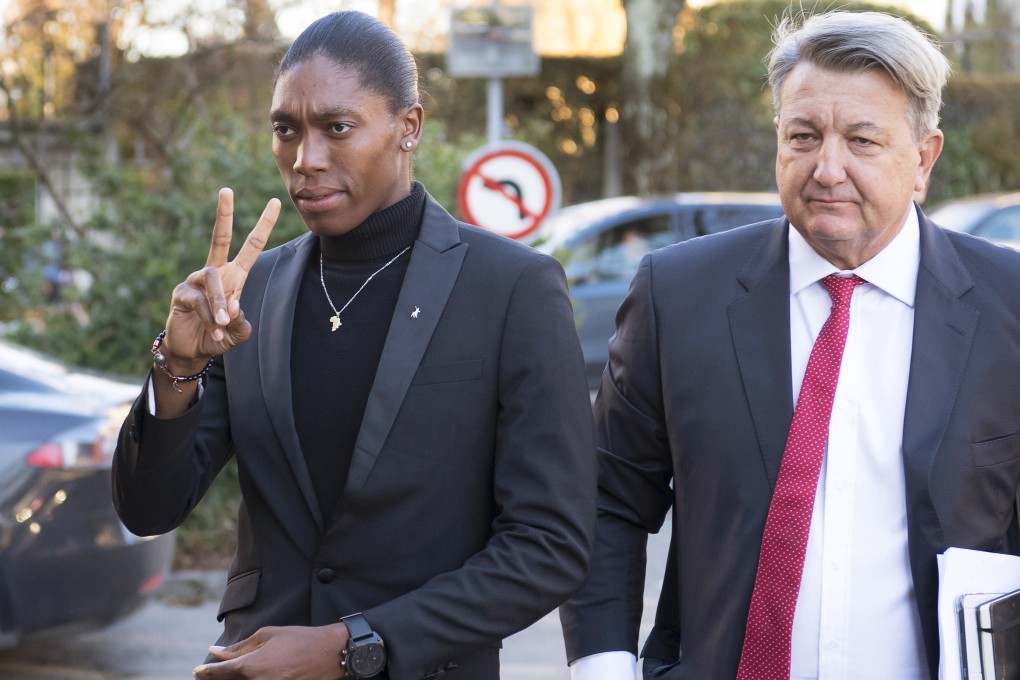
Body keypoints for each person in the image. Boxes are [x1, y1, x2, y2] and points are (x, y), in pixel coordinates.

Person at [112, 10, 596, 680]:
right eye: (287, 129)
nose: (306, 159)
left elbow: (550, 547)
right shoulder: (250, 293)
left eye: (337, 128)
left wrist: (353, 646)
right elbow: (149, 509)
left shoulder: (511, 289)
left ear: (409, 127)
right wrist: (177, 368)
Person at [560, 10, 1020, 680]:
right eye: (804, 136)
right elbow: (607, 500)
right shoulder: (680, 295)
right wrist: (603, 669)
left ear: (923, 158)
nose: (827, 168)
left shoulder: (1007, 304)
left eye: (862, 140)